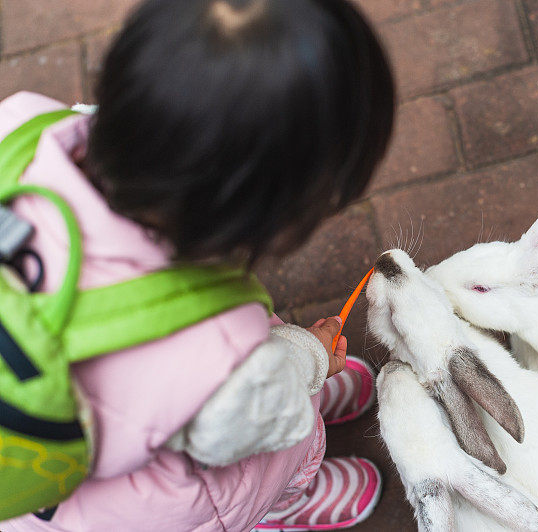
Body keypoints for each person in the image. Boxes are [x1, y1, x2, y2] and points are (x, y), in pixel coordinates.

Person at [0, 0, 395, 530]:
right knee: (284, 438)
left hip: (31, 466)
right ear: (269, 220)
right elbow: (252, 416)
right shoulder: (220, 349)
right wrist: (310, 357)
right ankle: (289, 503)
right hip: (151, 499)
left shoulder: (19, 121)